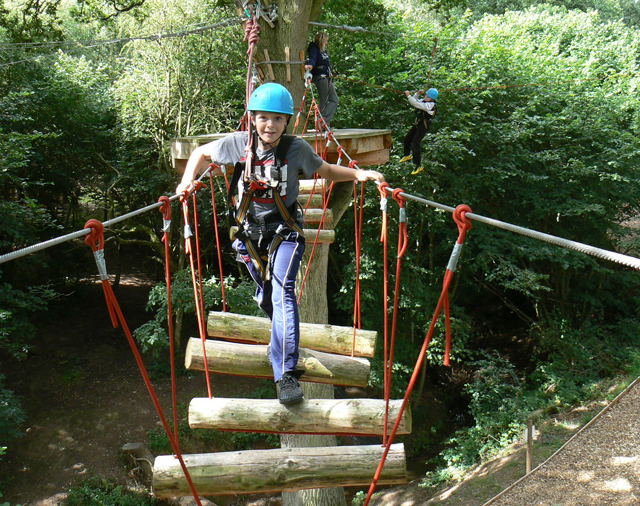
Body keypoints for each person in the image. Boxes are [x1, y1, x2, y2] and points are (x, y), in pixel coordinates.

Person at [176, 83, 385, 405]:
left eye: (277, 119)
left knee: (283, 290)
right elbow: (201, 153)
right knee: (268, 298)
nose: (269, 125)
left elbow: (326, 170)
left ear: (287, 121)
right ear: (252, 119)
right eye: (263, 118)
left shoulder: (296, 148)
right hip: (247, 235)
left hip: (284, 231)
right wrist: (186, 181)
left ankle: (286, 374)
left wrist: (359, 175)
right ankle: (281, 343)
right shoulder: (238, 144)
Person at [400, 88, 438, 174]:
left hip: (423, 126)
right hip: (418, 123)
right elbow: (415, 101)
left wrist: (408, 96)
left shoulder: (430, 105)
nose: (425, 97)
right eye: (425, 95)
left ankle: (418, 165)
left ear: (432, 99)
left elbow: (416, 104)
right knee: (407, 138)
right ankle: (406, 155)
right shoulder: (424, 101)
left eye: (427, 97)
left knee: (415, 143)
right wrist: (416, 94)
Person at [305, 31, 339, 129]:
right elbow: (312, 58)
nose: (326, 43)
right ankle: (322, 124)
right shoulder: (314, 49)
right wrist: (310, 65)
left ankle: (324, 121)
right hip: (320, 77)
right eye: (325, 41)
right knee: (323, 101)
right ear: (321, 40)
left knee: (334, 99)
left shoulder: (323, 51)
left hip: (327, 77)